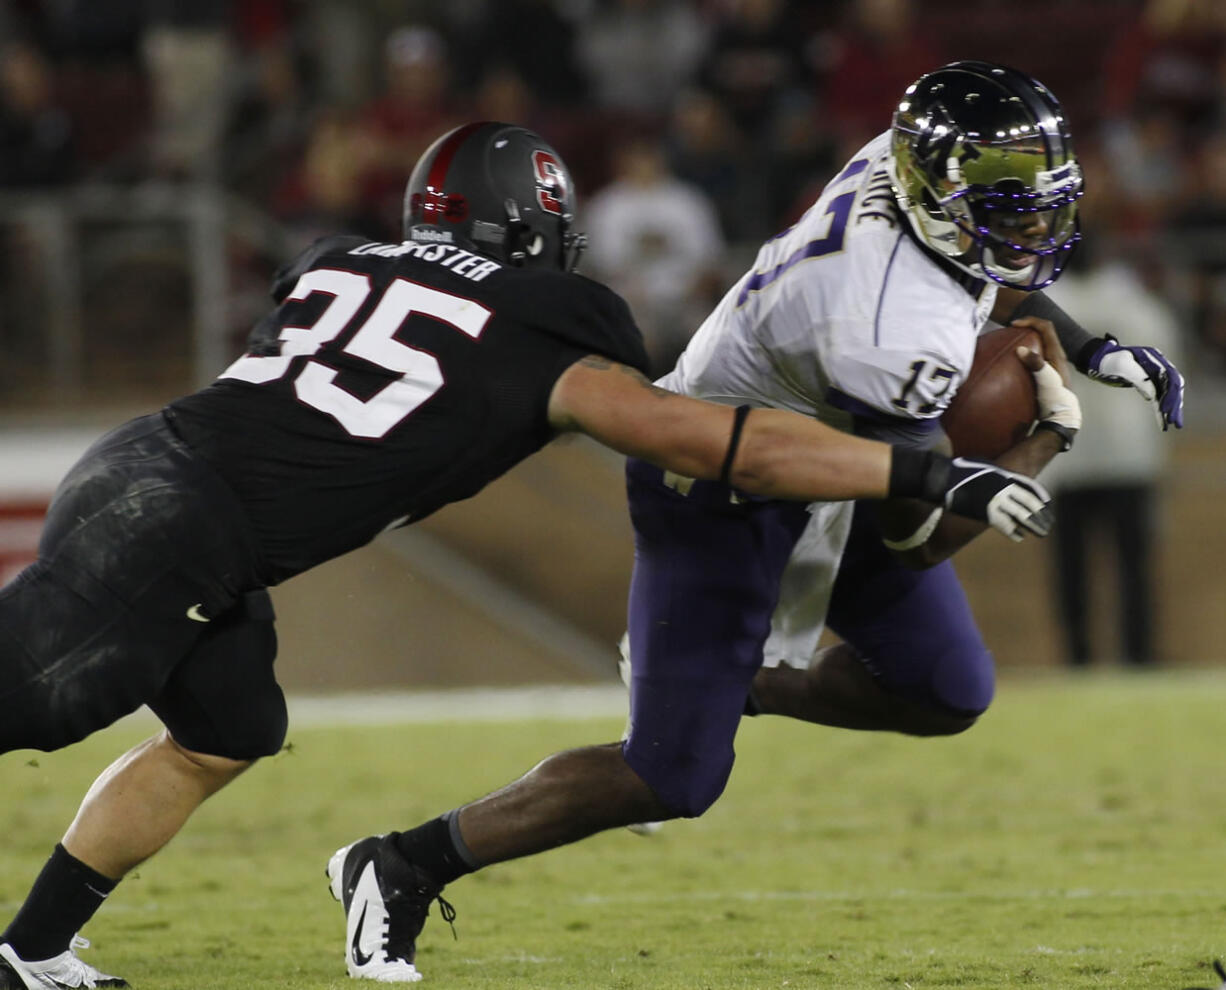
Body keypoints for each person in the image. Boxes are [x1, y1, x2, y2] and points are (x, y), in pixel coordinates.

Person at [0, 121, 1050, 990]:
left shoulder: (344, 259)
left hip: (146, 471)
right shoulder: (542, 324)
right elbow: (706, 438)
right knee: (32, 704)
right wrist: (923, 473)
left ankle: (31, 950)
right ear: (540, 230)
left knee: (227, 730)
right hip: (182, 527)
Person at [319, 63, 1185, 984]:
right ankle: (403, 862)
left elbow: (980, 265)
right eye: (1010, 204)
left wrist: (1092, 345)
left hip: (828, 457)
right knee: (671, 777)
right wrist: (1042, 441)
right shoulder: (893, 327)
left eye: (1039, 200)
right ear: (938, 185)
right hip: (719, 483)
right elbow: (912, 537)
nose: (1035, 226)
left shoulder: (900, 172)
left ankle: (747, 684)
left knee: (943, 689)